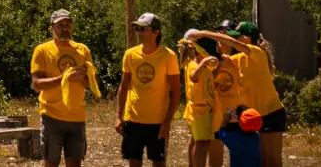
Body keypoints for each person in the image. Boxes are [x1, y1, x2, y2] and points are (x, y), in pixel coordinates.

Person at [192, 22, 285, 167]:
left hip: (271, 112)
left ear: (247, 38)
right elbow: (221, 64)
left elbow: (231, 43)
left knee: (273, 160)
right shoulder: (239, 58)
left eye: (238, 37)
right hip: (257, 116)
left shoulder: (256, 52)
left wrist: (204, 33)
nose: (235, 40)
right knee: (263, 160)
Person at [113, 13, 180, 167]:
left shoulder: (168, 56)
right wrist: (118, 116)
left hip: (157, 121)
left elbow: (175, 91)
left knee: (158, 162)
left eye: (143, 29)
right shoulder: (130, 55)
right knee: (134, 161)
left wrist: (167, 122)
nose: (139, 33)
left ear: (156, 32)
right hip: (133, 119)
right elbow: (123, 87)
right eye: (137, 29)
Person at [29, 9, 93, 167]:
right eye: (60, 25)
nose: (64, 28)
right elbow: (37, 85)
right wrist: (63, 78)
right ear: (51, 28)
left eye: (68, 25)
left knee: (75, 163)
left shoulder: (82, 50)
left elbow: (93, 84)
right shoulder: (42, 50)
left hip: (77, 117)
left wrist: (84, 77)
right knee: (51, 162)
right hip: (52, 116)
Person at [178, 32, 221, 167]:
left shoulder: (205, 67)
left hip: (206, 109)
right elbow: (193, 77)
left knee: (205, 142)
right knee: (200, 142)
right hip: (198, 110)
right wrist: (203, 63)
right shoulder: (192, 65)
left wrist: (215, 62)